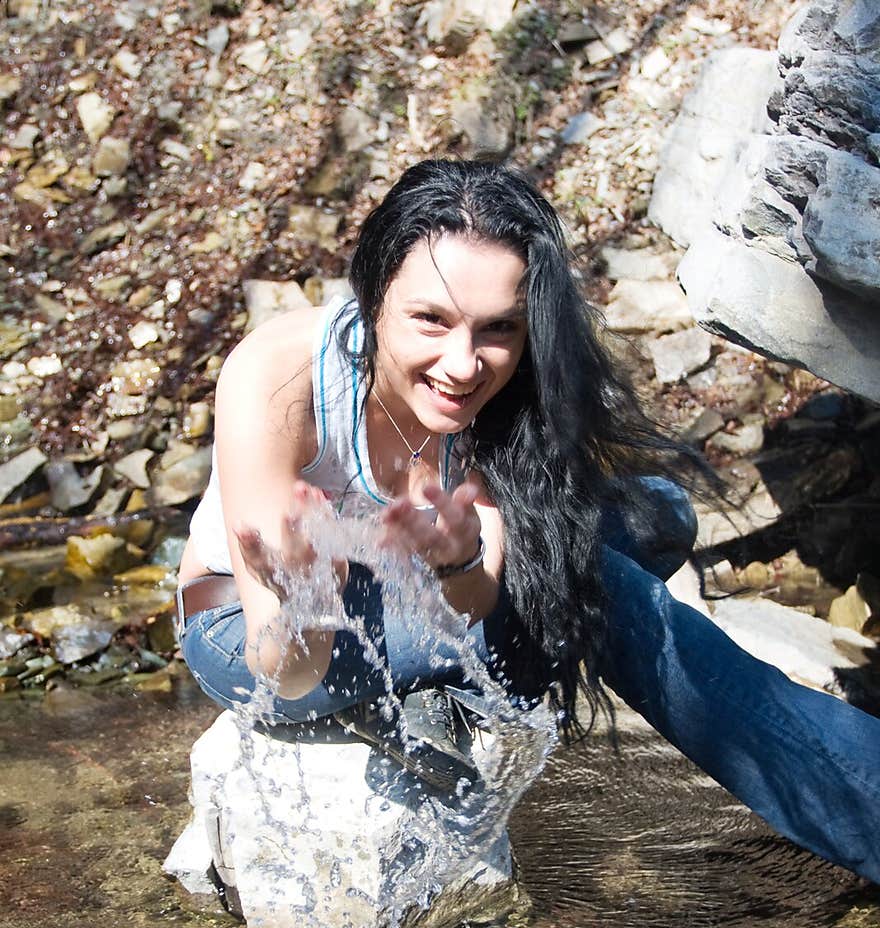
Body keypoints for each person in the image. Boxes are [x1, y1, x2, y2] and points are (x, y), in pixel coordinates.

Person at [176, 158, 880, 884]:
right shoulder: (281, 378)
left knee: (659, 513)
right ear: (373, 292)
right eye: (430, 320)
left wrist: (454, 562)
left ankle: (439, 693)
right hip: (250, 631)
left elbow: (477, 597)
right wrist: (311, 591)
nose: (462, 365)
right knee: (608, 588)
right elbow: (284, 674)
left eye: (499, 330)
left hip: (412, 589)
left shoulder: (507, 391)